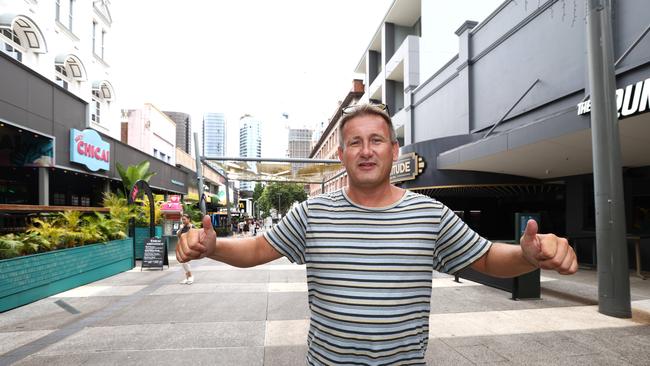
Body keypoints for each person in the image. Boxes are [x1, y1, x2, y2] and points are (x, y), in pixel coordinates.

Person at [177, 103, 577, 365]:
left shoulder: (429, 213)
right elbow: (257, 249)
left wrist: (528, 255)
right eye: (355, 142)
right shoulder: (311, 213)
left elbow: (488, 258)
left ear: (394, 150)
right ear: (342, 154)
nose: (366, 150)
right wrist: (213, 247)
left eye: (376, 140)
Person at [176, 213, 194, 284]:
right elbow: (178, 235)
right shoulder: (182, 227)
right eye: (182, 219)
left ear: (188, 219)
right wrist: (181, 228)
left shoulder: (192, 226)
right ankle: (188, 277)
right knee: (183, 262)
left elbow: (194, 236)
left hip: (189, 246)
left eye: (184, 219)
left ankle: (190, 277)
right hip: (182, 246)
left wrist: (191, 229)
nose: (183, 221)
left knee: (185, 261)